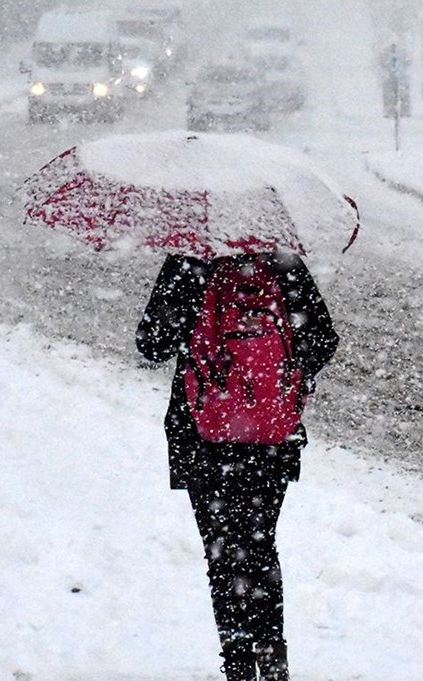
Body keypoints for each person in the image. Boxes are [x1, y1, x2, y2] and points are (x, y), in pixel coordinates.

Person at [136, 250, 338, 681]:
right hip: (270, 436)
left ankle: (239, 666)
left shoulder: (192, 258)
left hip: (202, 431)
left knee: (223, 553)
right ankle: (273, 662)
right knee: (260, 547)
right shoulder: (281, 260)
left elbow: (151, 345)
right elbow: (321, 344)